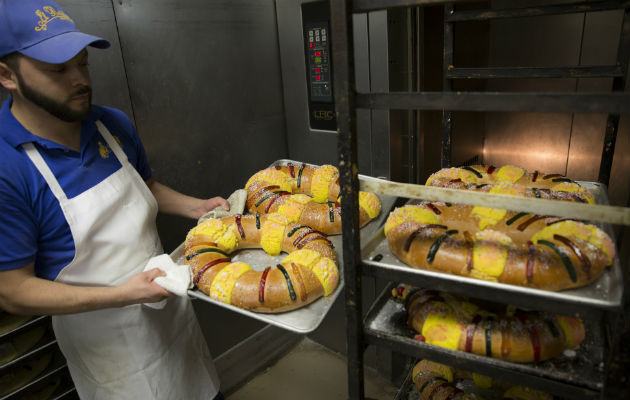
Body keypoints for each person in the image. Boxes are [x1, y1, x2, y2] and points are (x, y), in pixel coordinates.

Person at [0, 1, 228, 398]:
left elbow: (144, 188)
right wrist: (124, 295)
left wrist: (197, 207)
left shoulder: (111, 124)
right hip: (108, 346)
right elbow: (13, 290)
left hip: (169, 314)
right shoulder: (8, 168)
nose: (80, 80)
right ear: (7, 75)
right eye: (58, 70)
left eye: (83, 63)